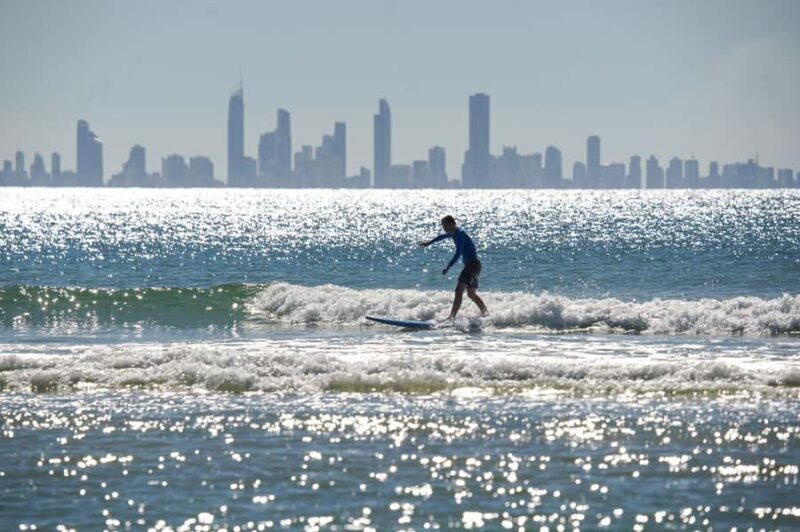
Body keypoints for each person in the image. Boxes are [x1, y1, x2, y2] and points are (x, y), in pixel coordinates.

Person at [419, 215, 489, 320]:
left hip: (472, 265)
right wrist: (429, 242)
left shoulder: (460, 234)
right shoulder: (454, 233)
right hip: (475, 266)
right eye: (443, 226)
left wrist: (448, 266)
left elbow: (459, 252)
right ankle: (486, 315)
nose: (444, 228)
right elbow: (442, 237)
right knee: (471, 294)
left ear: (451, 223)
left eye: (445, 225)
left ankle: (451, 318)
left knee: (459, 290)